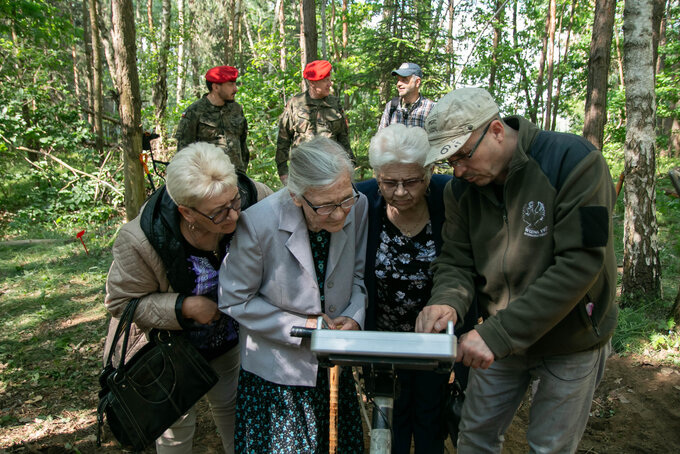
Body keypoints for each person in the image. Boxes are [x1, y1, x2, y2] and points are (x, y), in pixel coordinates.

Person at [415, 87, 618, 453]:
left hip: (571, 340)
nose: (458, 171)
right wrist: (447, 300)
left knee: (549, 447)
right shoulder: (462, 191)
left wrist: (498, 334)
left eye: (463, 155)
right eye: (449, 162)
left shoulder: (578, 163)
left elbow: (583, 261)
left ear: (495, 130)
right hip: (501, 342)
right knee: (474, 438)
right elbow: (456, 260)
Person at [103, 142, 271, 453]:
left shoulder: (255, 196)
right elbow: (120, 302)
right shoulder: (141, 240)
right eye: (219, 212)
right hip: (169, 350)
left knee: (233, 408)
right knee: (176, 426)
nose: (234, 215)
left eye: (234, 200)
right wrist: (184, 307)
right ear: (186, 211)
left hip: (227, 340)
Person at [218, 136, 367, 453]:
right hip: (278, 375)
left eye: (344, 200)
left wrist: (354, 316)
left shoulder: (358, 205)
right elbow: (234, 298)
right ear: (297, 196)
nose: (340, 214)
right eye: (326, 206)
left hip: (333, 367)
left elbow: (357, 274)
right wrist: (301, 328)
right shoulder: (258, 223)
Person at [356, 124, 476, 454]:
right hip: (383, 339)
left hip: (433, 341)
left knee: (429, 420)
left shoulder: (449, 194)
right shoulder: (361, 199)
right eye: (388, 182)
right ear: (376, 176)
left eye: (411, 181)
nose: (399, 192)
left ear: (429, 171)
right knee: (388, 421)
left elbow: (465, 262)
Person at [276, 60, 353, 184]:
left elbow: (343, 139)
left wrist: (350, 165)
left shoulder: (334, 103)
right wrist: (283, 172)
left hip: (330, 169)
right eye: (325, 80)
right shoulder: (295, 104)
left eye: (330, 79)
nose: (330, 84)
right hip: (303, 171)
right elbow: (283, 141)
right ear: (312, 83)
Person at [175, 66, 250, 173]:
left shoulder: (236, 109)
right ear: (215, 87)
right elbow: (183, 151)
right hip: (209, 180)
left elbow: (242, 144)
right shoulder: (194, 112)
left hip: (237, 175)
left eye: (235, 84)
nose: (235, 89)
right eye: (230, 84)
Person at [378, 62, 435, 130]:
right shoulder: (391, 106)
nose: (398, 84)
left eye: (404, 80)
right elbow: (381, 138)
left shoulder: (431, 109)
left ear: (417, 82)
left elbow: (439, 138)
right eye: (398, 80)